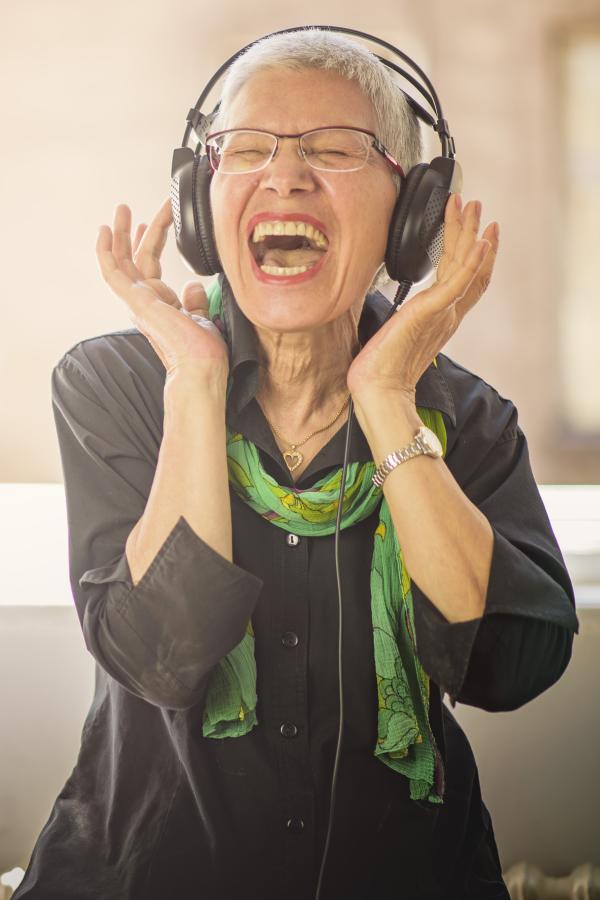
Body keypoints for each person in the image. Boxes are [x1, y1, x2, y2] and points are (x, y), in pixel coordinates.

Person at [14, 28, 578, 900]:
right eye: (246, 149)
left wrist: (387, 393)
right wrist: (195, 382)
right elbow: (163, 657)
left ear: (412, 211)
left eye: (335, 149)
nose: (285, 175)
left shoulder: (465, 420)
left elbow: (510, 665)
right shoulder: (116, 384)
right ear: (203, 202)